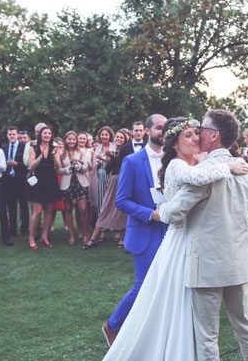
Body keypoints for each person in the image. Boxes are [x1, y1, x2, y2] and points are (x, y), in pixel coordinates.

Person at [102, 117, 248, 360]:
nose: (195, 138)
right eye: (189, 135)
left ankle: (186, 348)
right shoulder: (176, 166)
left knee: (181, 301)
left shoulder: (197, 161)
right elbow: (199, 178)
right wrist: (229, 167)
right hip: (175, 236)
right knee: (164, 296)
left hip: (189, 240)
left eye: (196, 133)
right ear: (174, 143)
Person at [157, 109, 248, 360]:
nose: (198, 134)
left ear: (214, 136)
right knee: (247, 327)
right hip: (238, 262)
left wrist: (161, 207)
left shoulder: (203, 173)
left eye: (203, 130)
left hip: (205, 267)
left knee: (207, 335)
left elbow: (173, 214)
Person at [101, 114, 167, 345]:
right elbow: (122, 201)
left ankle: (152, 330)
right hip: (144, 231)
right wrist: (151, 214)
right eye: (159, 128)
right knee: (143, 286)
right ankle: (112, 326)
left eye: (165, 128)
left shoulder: (174, 160)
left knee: (165, 285)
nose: (163, 131)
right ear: (147, 131)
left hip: (171, 231)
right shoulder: (132, 160)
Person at [84, 129, 130, 249]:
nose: (119, 139)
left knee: (122, 209)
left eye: (121, 137)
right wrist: (105, 162)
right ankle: (94, 237)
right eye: (117, 137)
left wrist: (108, 159)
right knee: (105, 207)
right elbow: (110, 169)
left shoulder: (126, 150)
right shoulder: (112, 152)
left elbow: (121, 166)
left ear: (125, 140)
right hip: (113, 180)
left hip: (123, 181)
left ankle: (122, 237)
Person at [26, 126, 62, 249]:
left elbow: (58, 167)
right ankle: (31, 238)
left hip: (50, 180)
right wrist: (41, 156)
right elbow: (31, 166)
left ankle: (44, 236)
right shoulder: (33, 147)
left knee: (49, 210)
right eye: (44, 133)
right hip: (38, 180)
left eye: (49, 133)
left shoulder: (54, 148)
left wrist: (55, 156)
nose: (47, 135)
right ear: (40, 135)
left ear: (51, 136)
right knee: (37, 211)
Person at [56, 131, 90, 245]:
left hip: (80, 182)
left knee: (83, 208)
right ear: (66, 140)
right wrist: (69, 168)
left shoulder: (80, 152)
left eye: (73, 139)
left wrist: (78, 165)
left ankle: (85, 233)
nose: (71, 141)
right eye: (69, 139)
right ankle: (71, 235)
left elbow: (85, 168)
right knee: (68, 209)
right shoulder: (61, 153)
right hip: (67, 183)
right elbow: (58, 170)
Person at [2, 126, 28, 237]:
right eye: (10, 134)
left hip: (21, 180)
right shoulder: (3, 148)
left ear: (17, 135)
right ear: (7, 136)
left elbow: (27, 164)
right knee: (11, 206)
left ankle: (24, 229)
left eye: (13, 134)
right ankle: (12, 229)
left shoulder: (24, 147)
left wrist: (16, 164)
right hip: (8, 181)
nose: (12, 136)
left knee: (23, 205)